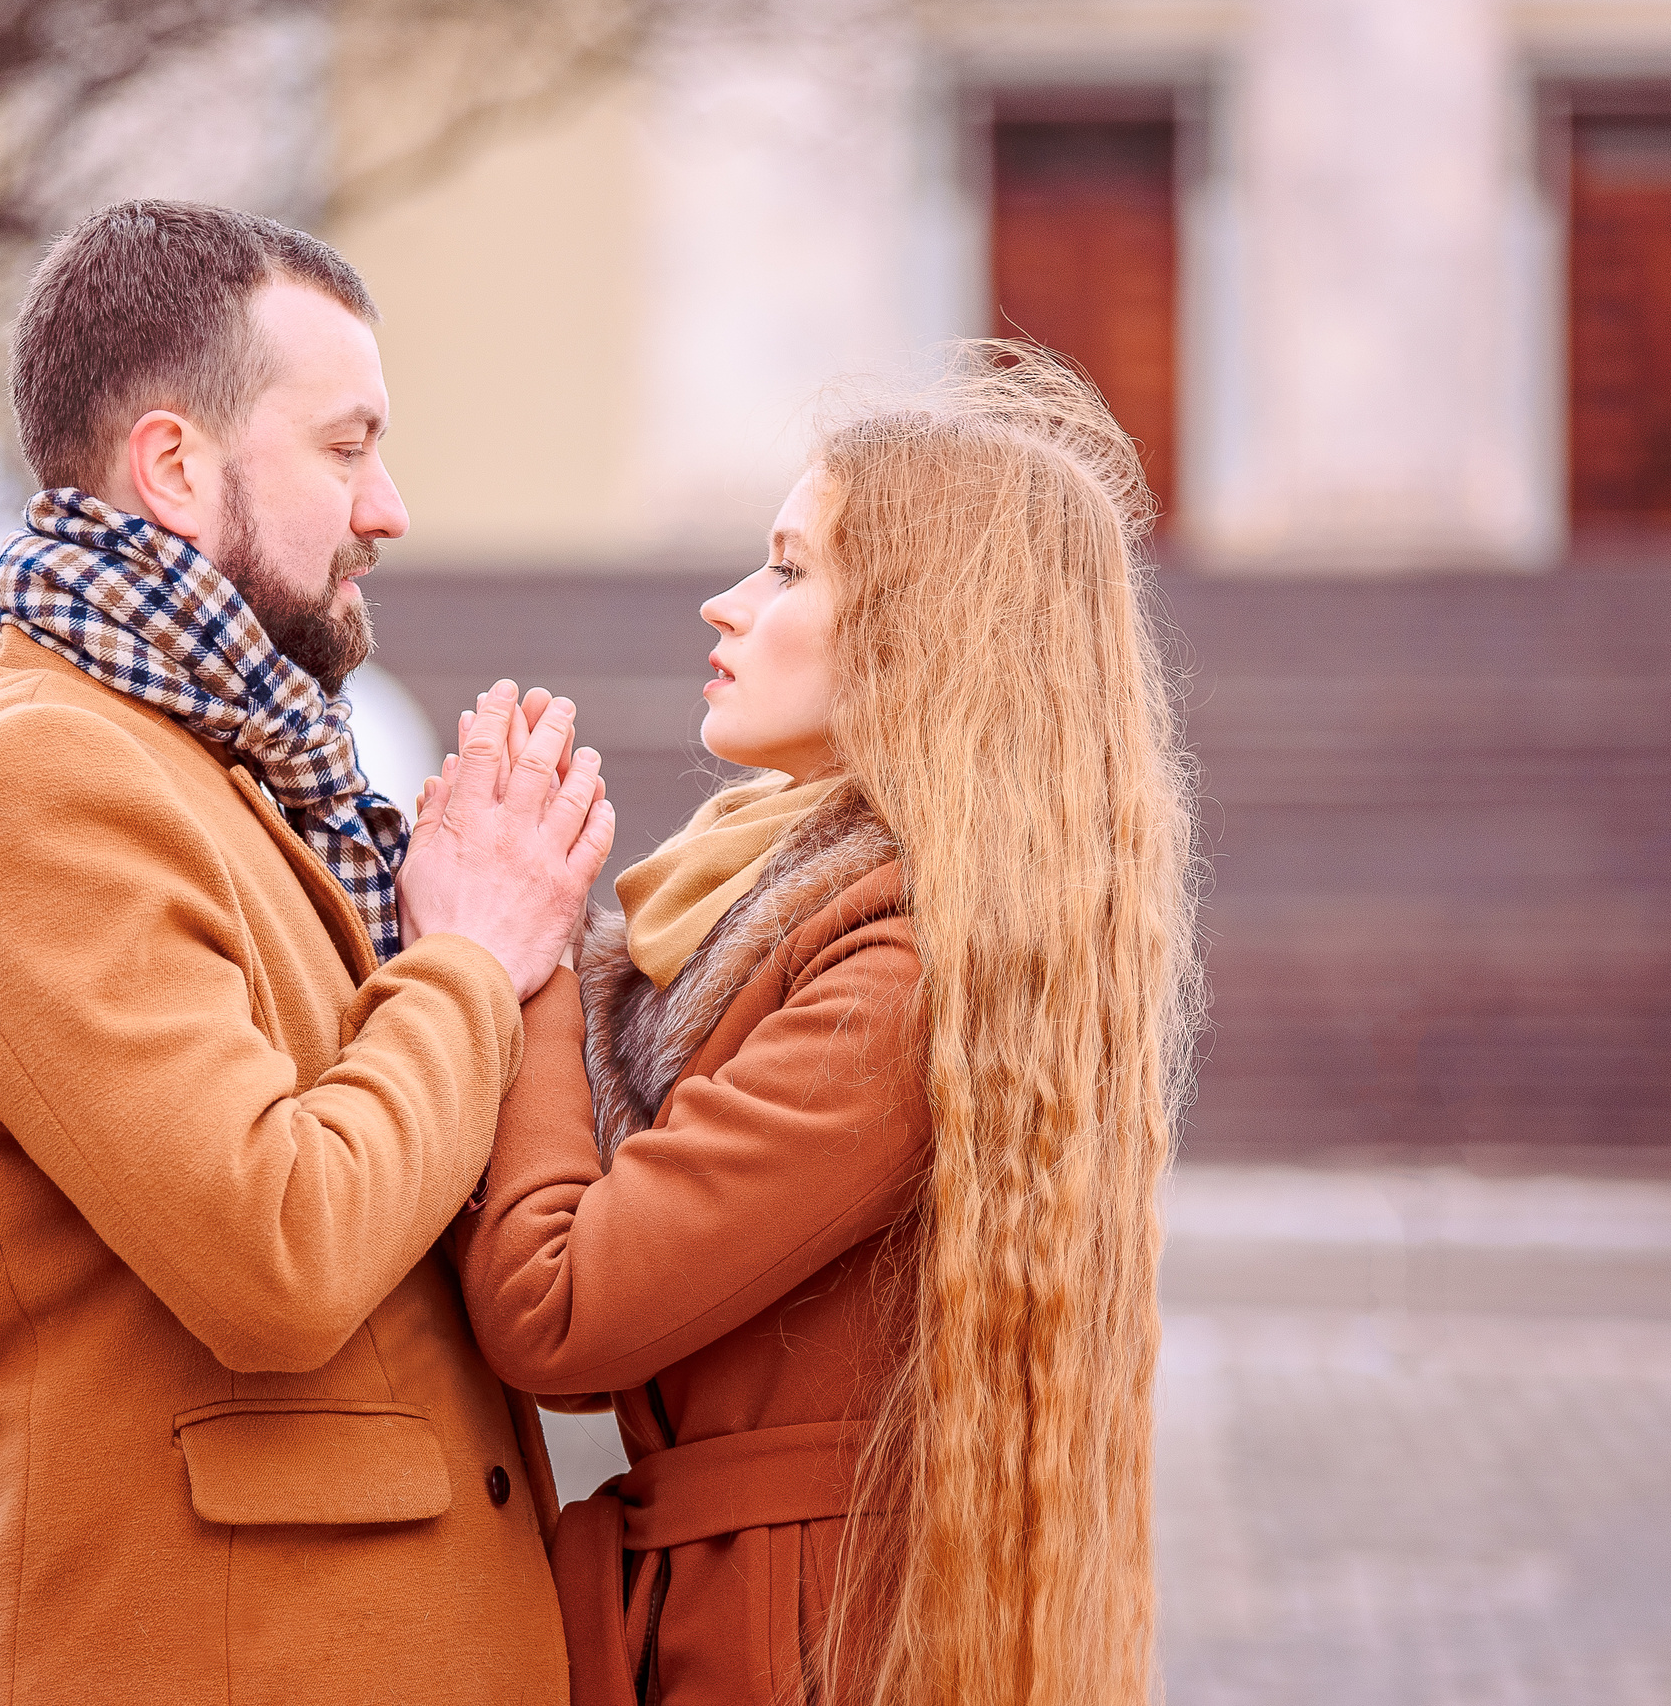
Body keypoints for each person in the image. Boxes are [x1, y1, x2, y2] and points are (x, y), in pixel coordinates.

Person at [0, 200, 612, 1705]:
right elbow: (281, 1248)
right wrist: (467, 956)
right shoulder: (42, 780)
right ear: (173, 466)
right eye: (346, 449)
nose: (389, 506)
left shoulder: (219, 759)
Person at [441, 344, 1200, 1706]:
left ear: (920, 634)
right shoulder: (780, 902)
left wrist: (527, 945)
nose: (726, 606)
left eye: (789, 570)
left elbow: (558, 1307)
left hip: (775, 1639)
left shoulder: (901, 969)